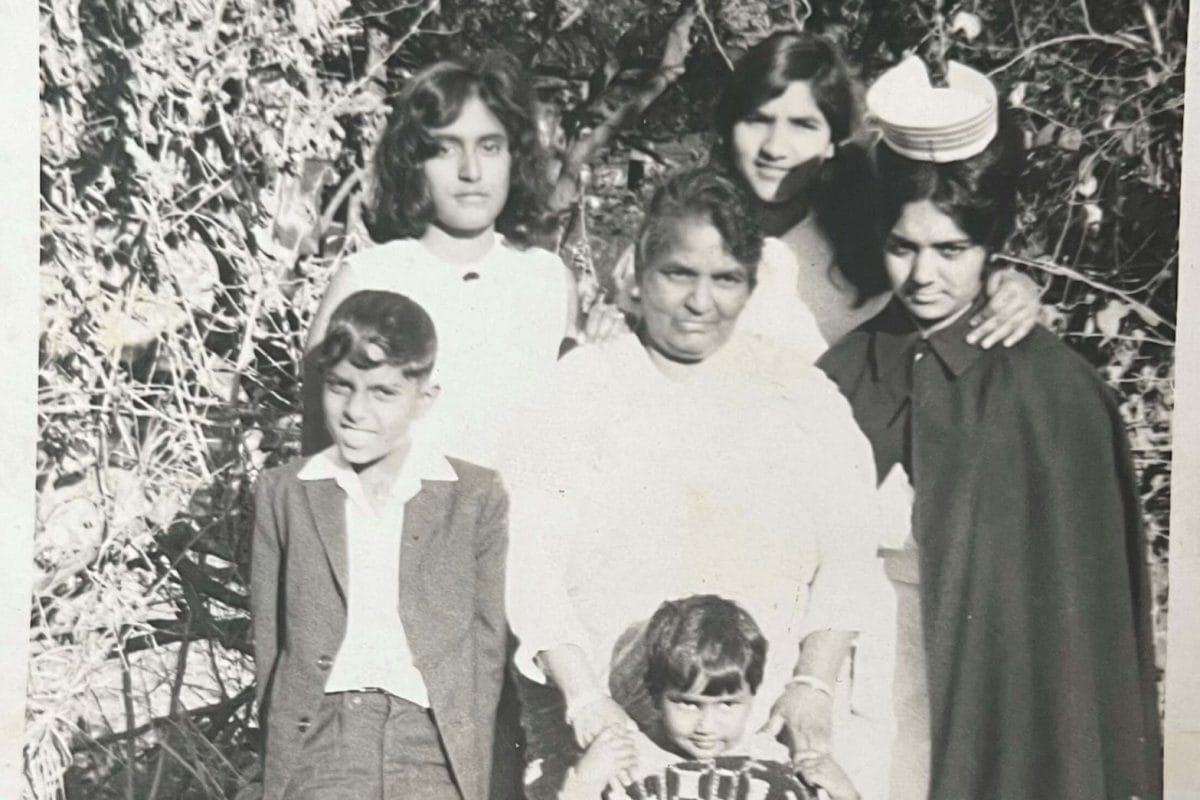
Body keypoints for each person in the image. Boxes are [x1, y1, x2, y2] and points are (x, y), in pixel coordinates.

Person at [818, 57, 1162, 800]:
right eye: (903, 248)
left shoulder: (1056, 395)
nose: (924, 277)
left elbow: (1077, 649)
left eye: (952, 250)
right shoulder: (843, 373)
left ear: (991, 245)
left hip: (992, 715)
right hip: (853, 697)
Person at [504, 168, 902, 800]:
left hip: (755, 740)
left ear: (750, 286)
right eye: (678, 274)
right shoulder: (580, 391)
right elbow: (528, 562)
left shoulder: (799, 396)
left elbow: (850, 555)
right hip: (611, 742)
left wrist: (814, 685)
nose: (699, 302)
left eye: (725, 280)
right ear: (639, 270)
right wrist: (583, 699)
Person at [301, 52, 620, 468]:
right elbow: (316, 463)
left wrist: (603, 357)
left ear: (514, 157)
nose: (471, 171)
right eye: (446, 149)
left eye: (490, 147)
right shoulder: (367, 278)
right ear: (414, 161)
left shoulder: (547, 280)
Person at [250, 290, 509, 800]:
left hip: (433, 745)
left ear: (424, 398)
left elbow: (486, 651)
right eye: (340, 387)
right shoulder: (285, 492)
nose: (355, 411)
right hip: (322, 741)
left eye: (383, 393)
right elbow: (270, 646)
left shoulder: (474, 497)